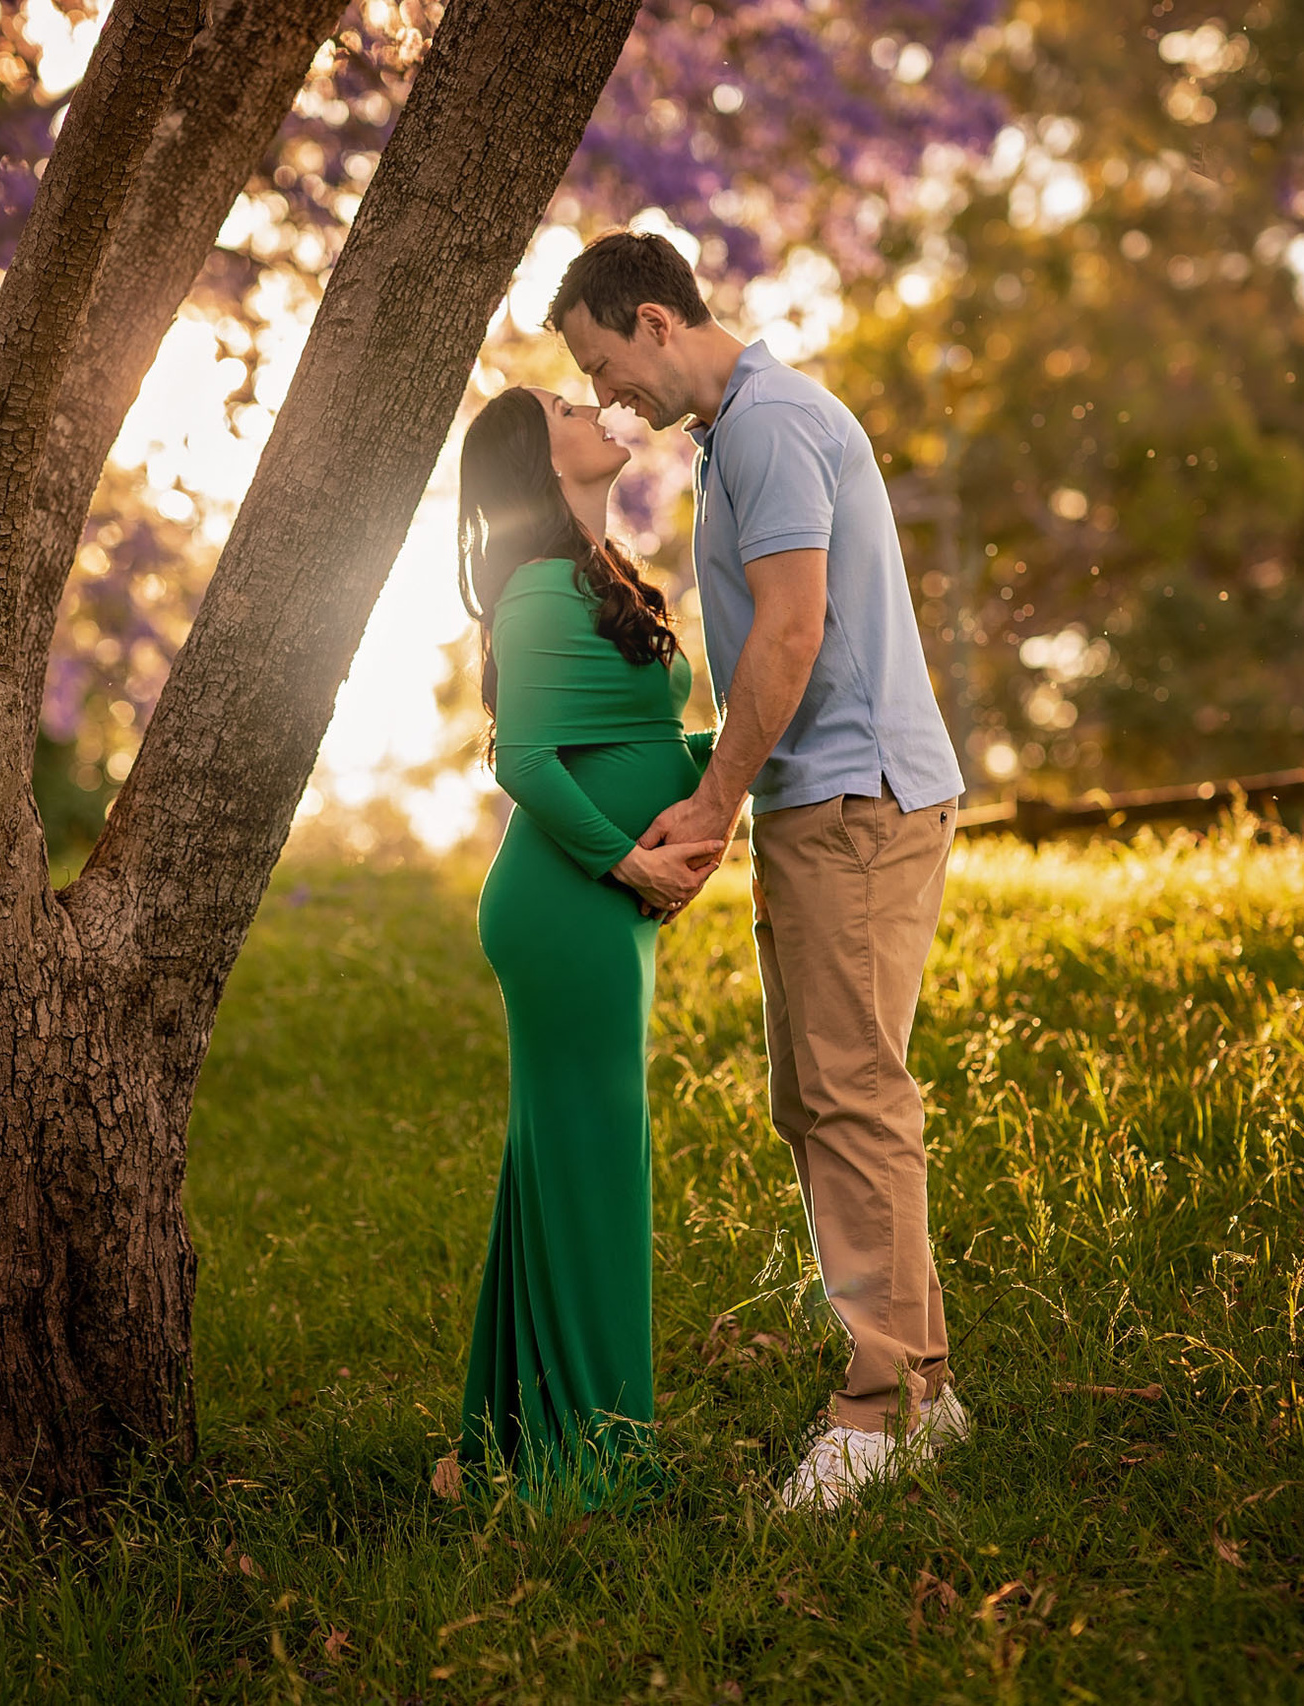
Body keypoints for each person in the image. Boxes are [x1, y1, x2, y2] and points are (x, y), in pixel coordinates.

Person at [547, 229, 969, 1512]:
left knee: (851, 1090)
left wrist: (715, 801)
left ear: (658, 320)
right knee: (821, 1092)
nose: (608, 393)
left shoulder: (776, 424)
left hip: (852, 796)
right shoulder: (740, 435)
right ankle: (924, 1391)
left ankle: (885, 1402)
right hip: (818, 798)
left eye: (604, 362)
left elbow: (790, 630)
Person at [451, 384, 725, 1500]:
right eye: (565, 404)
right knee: (594, 1165)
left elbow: (639, 735)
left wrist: (742, 757)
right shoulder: (530, 586)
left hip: (601, 908)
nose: (591, 403)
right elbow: (523, 762)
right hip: (566, 906)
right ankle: (596, 1458)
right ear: (537, 454)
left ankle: (508, 1441)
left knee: (555, 1166)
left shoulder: (598, 575)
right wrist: (635, 861)